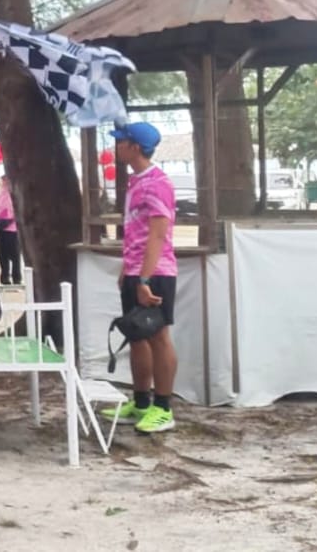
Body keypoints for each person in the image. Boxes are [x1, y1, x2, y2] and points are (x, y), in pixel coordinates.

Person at [103, 121, 179, 435]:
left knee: (158, 337)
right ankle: (141, 401)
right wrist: (128, 269)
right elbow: (136, 230)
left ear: (135, 147)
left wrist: (146, 279)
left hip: (156, 273)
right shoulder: (136, 182)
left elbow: (158, 236)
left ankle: (163, 408)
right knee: (136, 335)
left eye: (120, 142)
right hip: (136, 271)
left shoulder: (158, 183)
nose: (115, 147)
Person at [0, 173, 21, 286]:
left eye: (6, 180)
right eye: (3, 180)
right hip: (1, 228)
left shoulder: (15, 195)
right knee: (3, 255)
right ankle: (5, 276)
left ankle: (16, 277)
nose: (5, 182)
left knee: (15, 256)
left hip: (12, 229)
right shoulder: (0, 195)